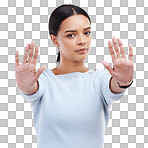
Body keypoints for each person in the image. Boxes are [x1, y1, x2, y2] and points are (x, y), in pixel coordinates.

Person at [15, 4, 134, 148]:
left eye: (87, 33)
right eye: (71, 35)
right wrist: (26, 86)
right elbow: (32, 89)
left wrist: (123, 81)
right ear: (54, 40)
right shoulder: (43, 80)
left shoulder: (99, 79)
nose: (82, 41)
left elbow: (114, 86)